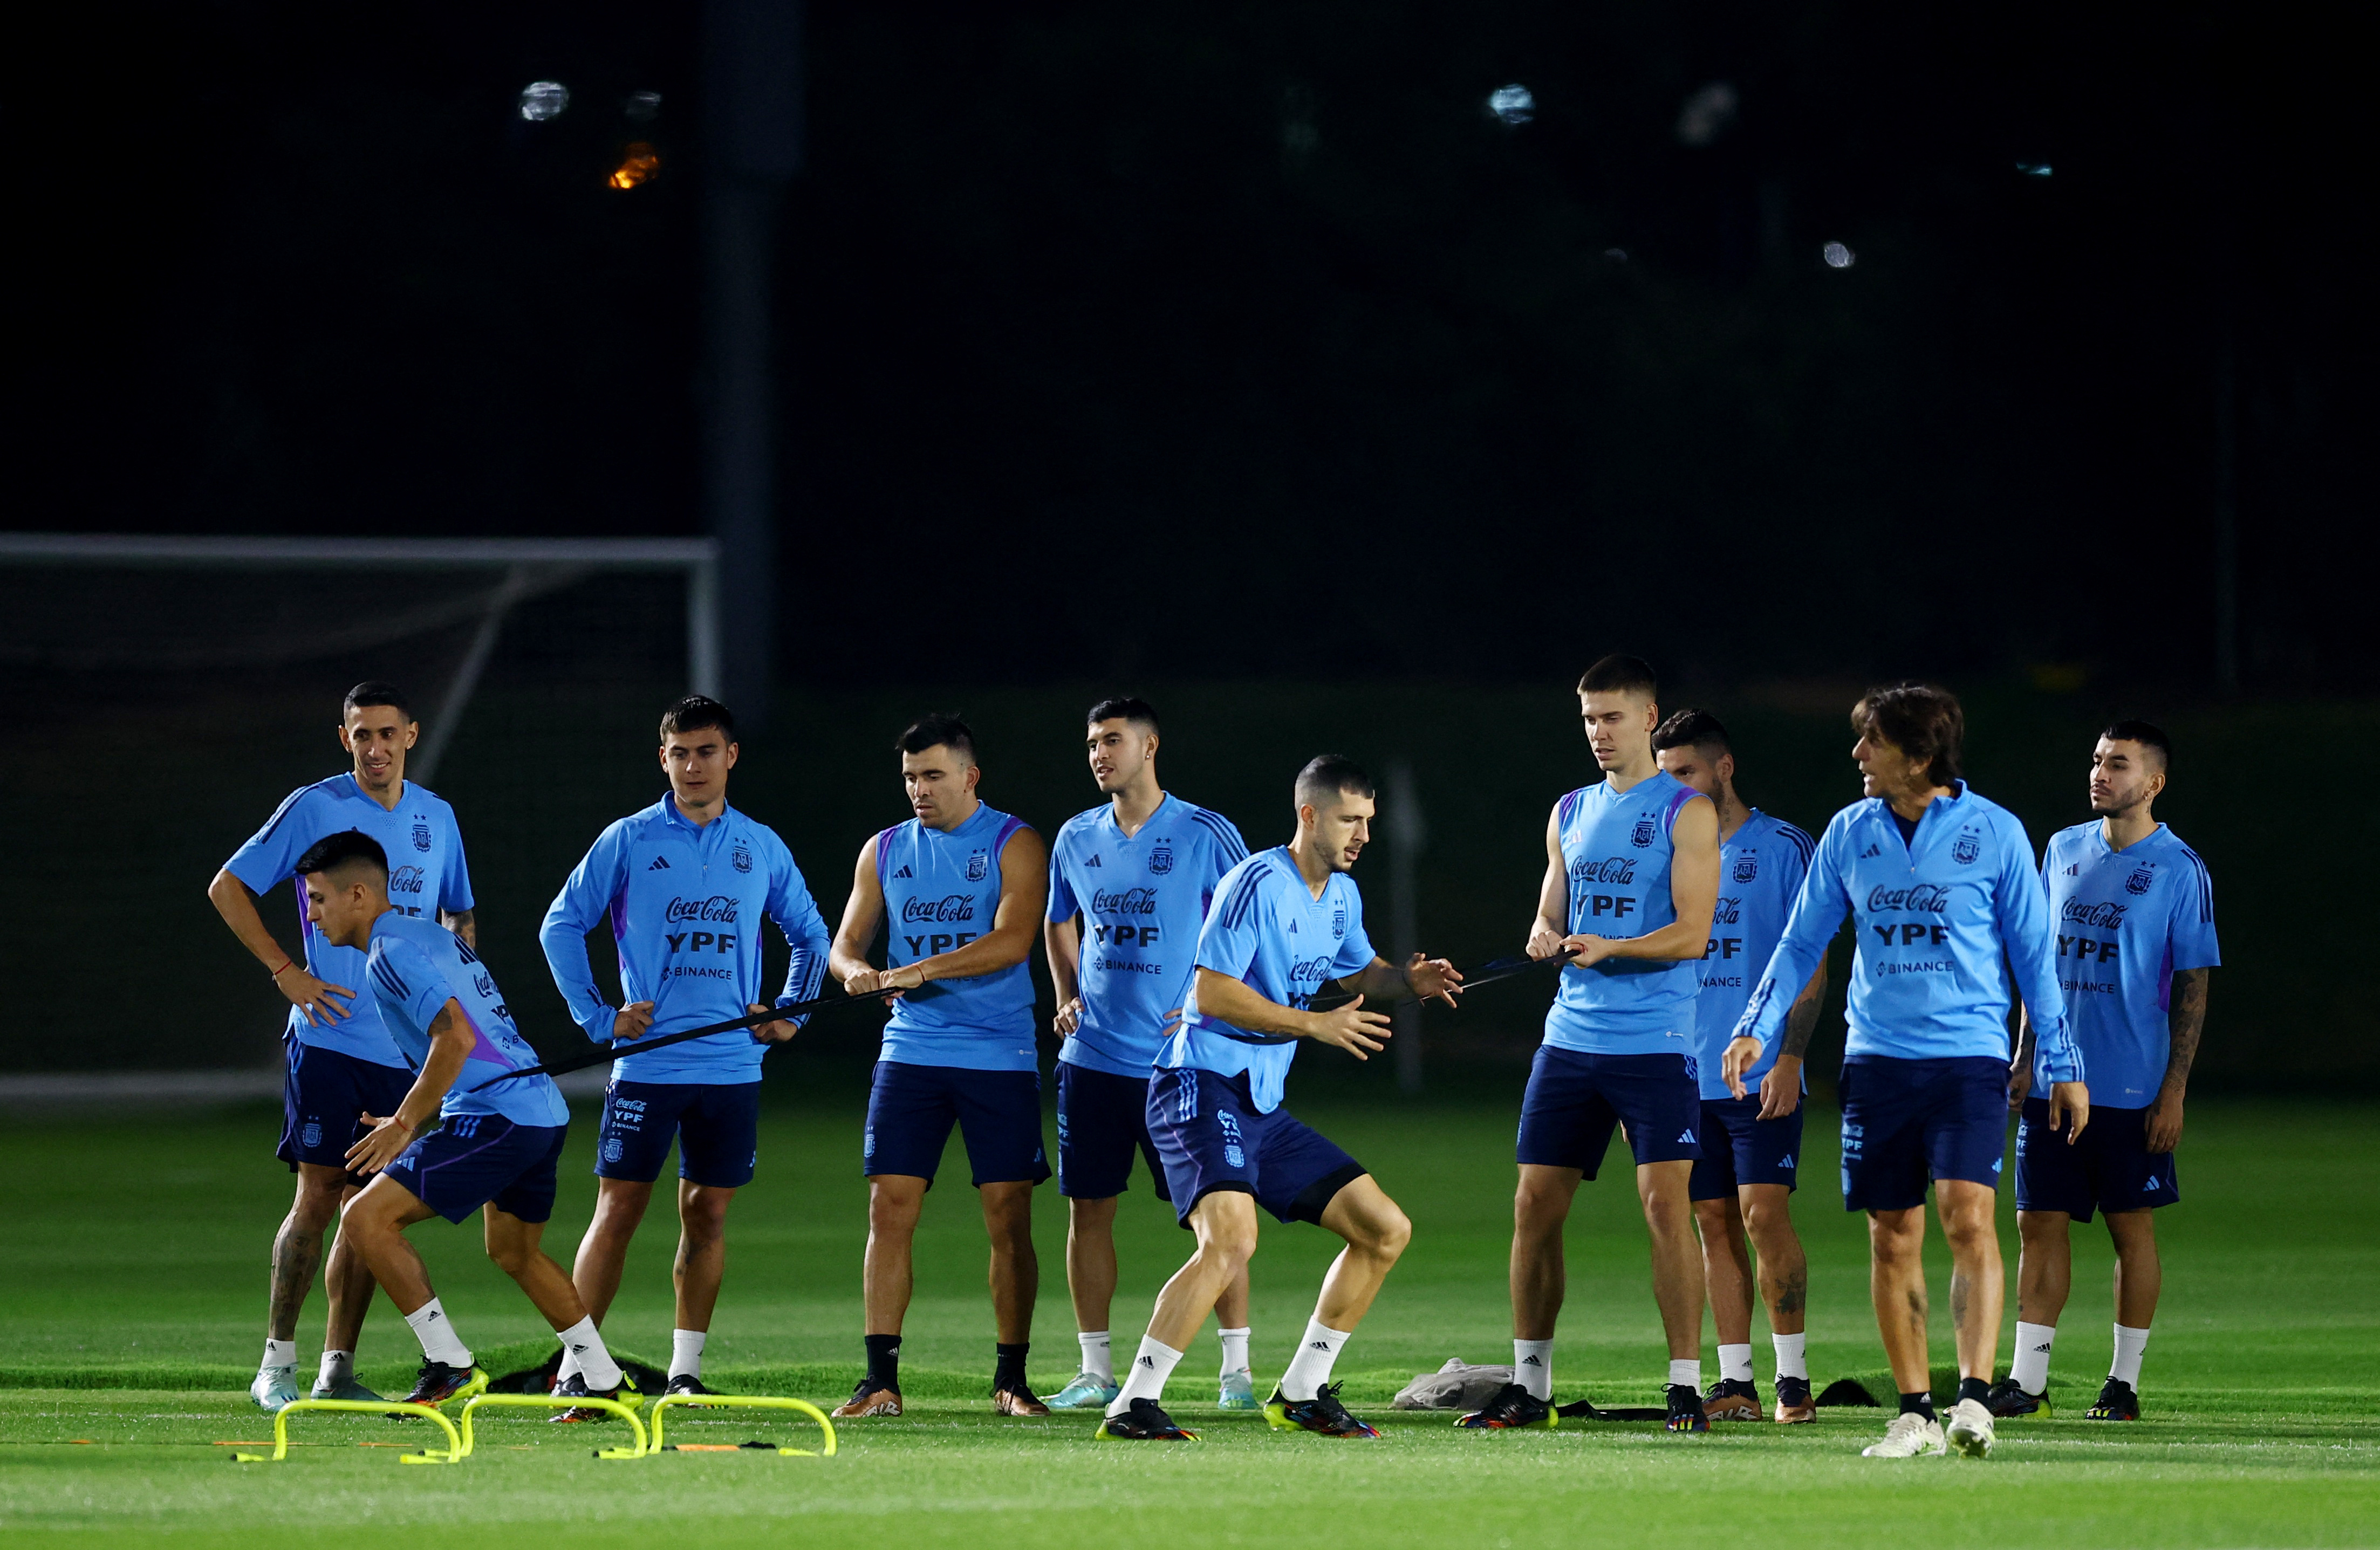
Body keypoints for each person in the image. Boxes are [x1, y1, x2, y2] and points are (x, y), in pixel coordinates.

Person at [1725, 683, 2087, 1460]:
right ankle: (1916, 1411)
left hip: (1967, 1058)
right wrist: (1755, 1027)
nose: (1858, 754)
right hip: (1877, 1062)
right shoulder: (1850, 832)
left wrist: (2062, 1062)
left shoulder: (1995, 833)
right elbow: (1799, 943)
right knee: (1893, 1236)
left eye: (1873, 742)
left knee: (1967, 1214)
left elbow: (2034, 956)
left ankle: (1975, 1400)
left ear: (1921, 755)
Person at [1096, 755, 1460, 1443]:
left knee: (1384, 1229)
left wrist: (1408, 980)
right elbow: (1211, 991)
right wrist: (1314, 1024)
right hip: (1198, 1082)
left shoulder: (1342, 895)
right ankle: (1131, 1404)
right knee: (1230, 1239)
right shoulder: (1256, 882)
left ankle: (1301, 1391)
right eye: (1350, 820)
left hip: (1257, 1101)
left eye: (1368, 822)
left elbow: (1362, 970)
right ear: (1309, 815)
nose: (1362, 835)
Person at [1460, 655, 1721, 1436]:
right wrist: (1544, 937)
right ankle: (1530, 1386)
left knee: (1664, 1206)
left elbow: (1693, 931)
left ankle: (1684, 1384)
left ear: (1647, 717)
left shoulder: (1686, 811)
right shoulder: (1570, 808)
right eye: (1587, 719)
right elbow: (1550, 910)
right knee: (1534, 1205)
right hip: (1571, 1041)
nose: (1598, 733)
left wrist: (1613, 946)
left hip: (1655, 1042)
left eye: (1611, 717)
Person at [538, 695, 826, 1399]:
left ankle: (685, 1374)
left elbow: (811, 936)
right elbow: (561, 925)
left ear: (730, 756)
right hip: (648, 1066)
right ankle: (577, 1370)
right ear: (662, 757)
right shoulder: (630, 839)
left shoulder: (758, 844)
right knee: (619, 1211)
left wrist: (790, 1014)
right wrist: (599, 1018)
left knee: (708, 1213)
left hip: (731, 1067)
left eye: (706, 751)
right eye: (679, 753)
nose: (692, 765)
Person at [295, 831, 631, 1416]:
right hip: (538, 1113)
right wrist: (413, 1115)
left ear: (357, 895)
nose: (311, 913)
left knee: (365, 1217)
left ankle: (449, 1364)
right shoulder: (425, 936)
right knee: (514, 1251)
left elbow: (456, 1038)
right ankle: (601, 1379)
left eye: (318, 898)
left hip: (496, 1115)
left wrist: (404, 1123)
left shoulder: (389, 953)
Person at [207, 681, 475, 1410]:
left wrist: (457, 992)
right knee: (319, 1194)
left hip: (404, 1053)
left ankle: (337, 1366)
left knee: (372, 1206)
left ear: (411, 736)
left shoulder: (437, 818)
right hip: (328, 1042)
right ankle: (276, 1362)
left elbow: (459, 914)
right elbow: (228, 886)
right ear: (346, 738)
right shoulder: (314, 807)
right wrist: (286, 971)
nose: (377, 747)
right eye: (363, 735)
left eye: (389, 733)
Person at [826, 714, 1054, 1418]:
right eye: (909, 777)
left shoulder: (1014, 841)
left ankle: (1012, 1380)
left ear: (968, 776)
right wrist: (859, 972)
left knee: (1007, 1213)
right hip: (912, 1050)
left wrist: (919, 967)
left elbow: (1015, 940)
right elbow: (844, 948)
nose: (919, 790)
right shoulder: (885, 849)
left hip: (998, 1051)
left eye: (932, 775)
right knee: (888, 1207)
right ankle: (880, 1381)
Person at [1992, 722, 2216, 1423]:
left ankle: (2122, 1382)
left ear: (2153, 783)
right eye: (2096, 759)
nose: (2100, 773)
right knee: (2038, 1224)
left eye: (2118, 764)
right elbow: (2038, 967)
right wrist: (2025, 1056)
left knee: (2131, 1230)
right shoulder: (2060, 849)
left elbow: (2192, 985)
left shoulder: (2180, 868)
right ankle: (2028, 1383)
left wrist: (2173, 1088)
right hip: (2057, 1081)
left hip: (2130, 1085)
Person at [1042, 698, 1258, 1412]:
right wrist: (1066, 991)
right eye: (1091, 742)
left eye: (1112, 740)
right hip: (1094, 1057)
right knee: (1088, 1211)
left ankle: (1236, 1374)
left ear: (1150, 744)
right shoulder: (1076, 835)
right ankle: (1095, 1368)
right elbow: (1058, 921)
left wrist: (1208, 996)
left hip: (1184, 1062)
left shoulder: (1205, 831)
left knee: (1220, 1217)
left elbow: (1251, 925)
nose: (1099, 753)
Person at [1652, 708, 1828, 1425]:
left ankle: (1793, 1380)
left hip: (1759, 1073)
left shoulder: (1784, 847)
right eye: (1665, 779)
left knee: (1763, 1214)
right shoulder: (1663, 851)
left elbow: (1810, 963)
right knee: (1712, 1223)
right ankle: (1738, 1383)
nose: (1676, 792)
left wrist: (1790, 1055)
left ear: (1723, 767)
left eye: (1687, 773)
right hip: (1682, 1074)